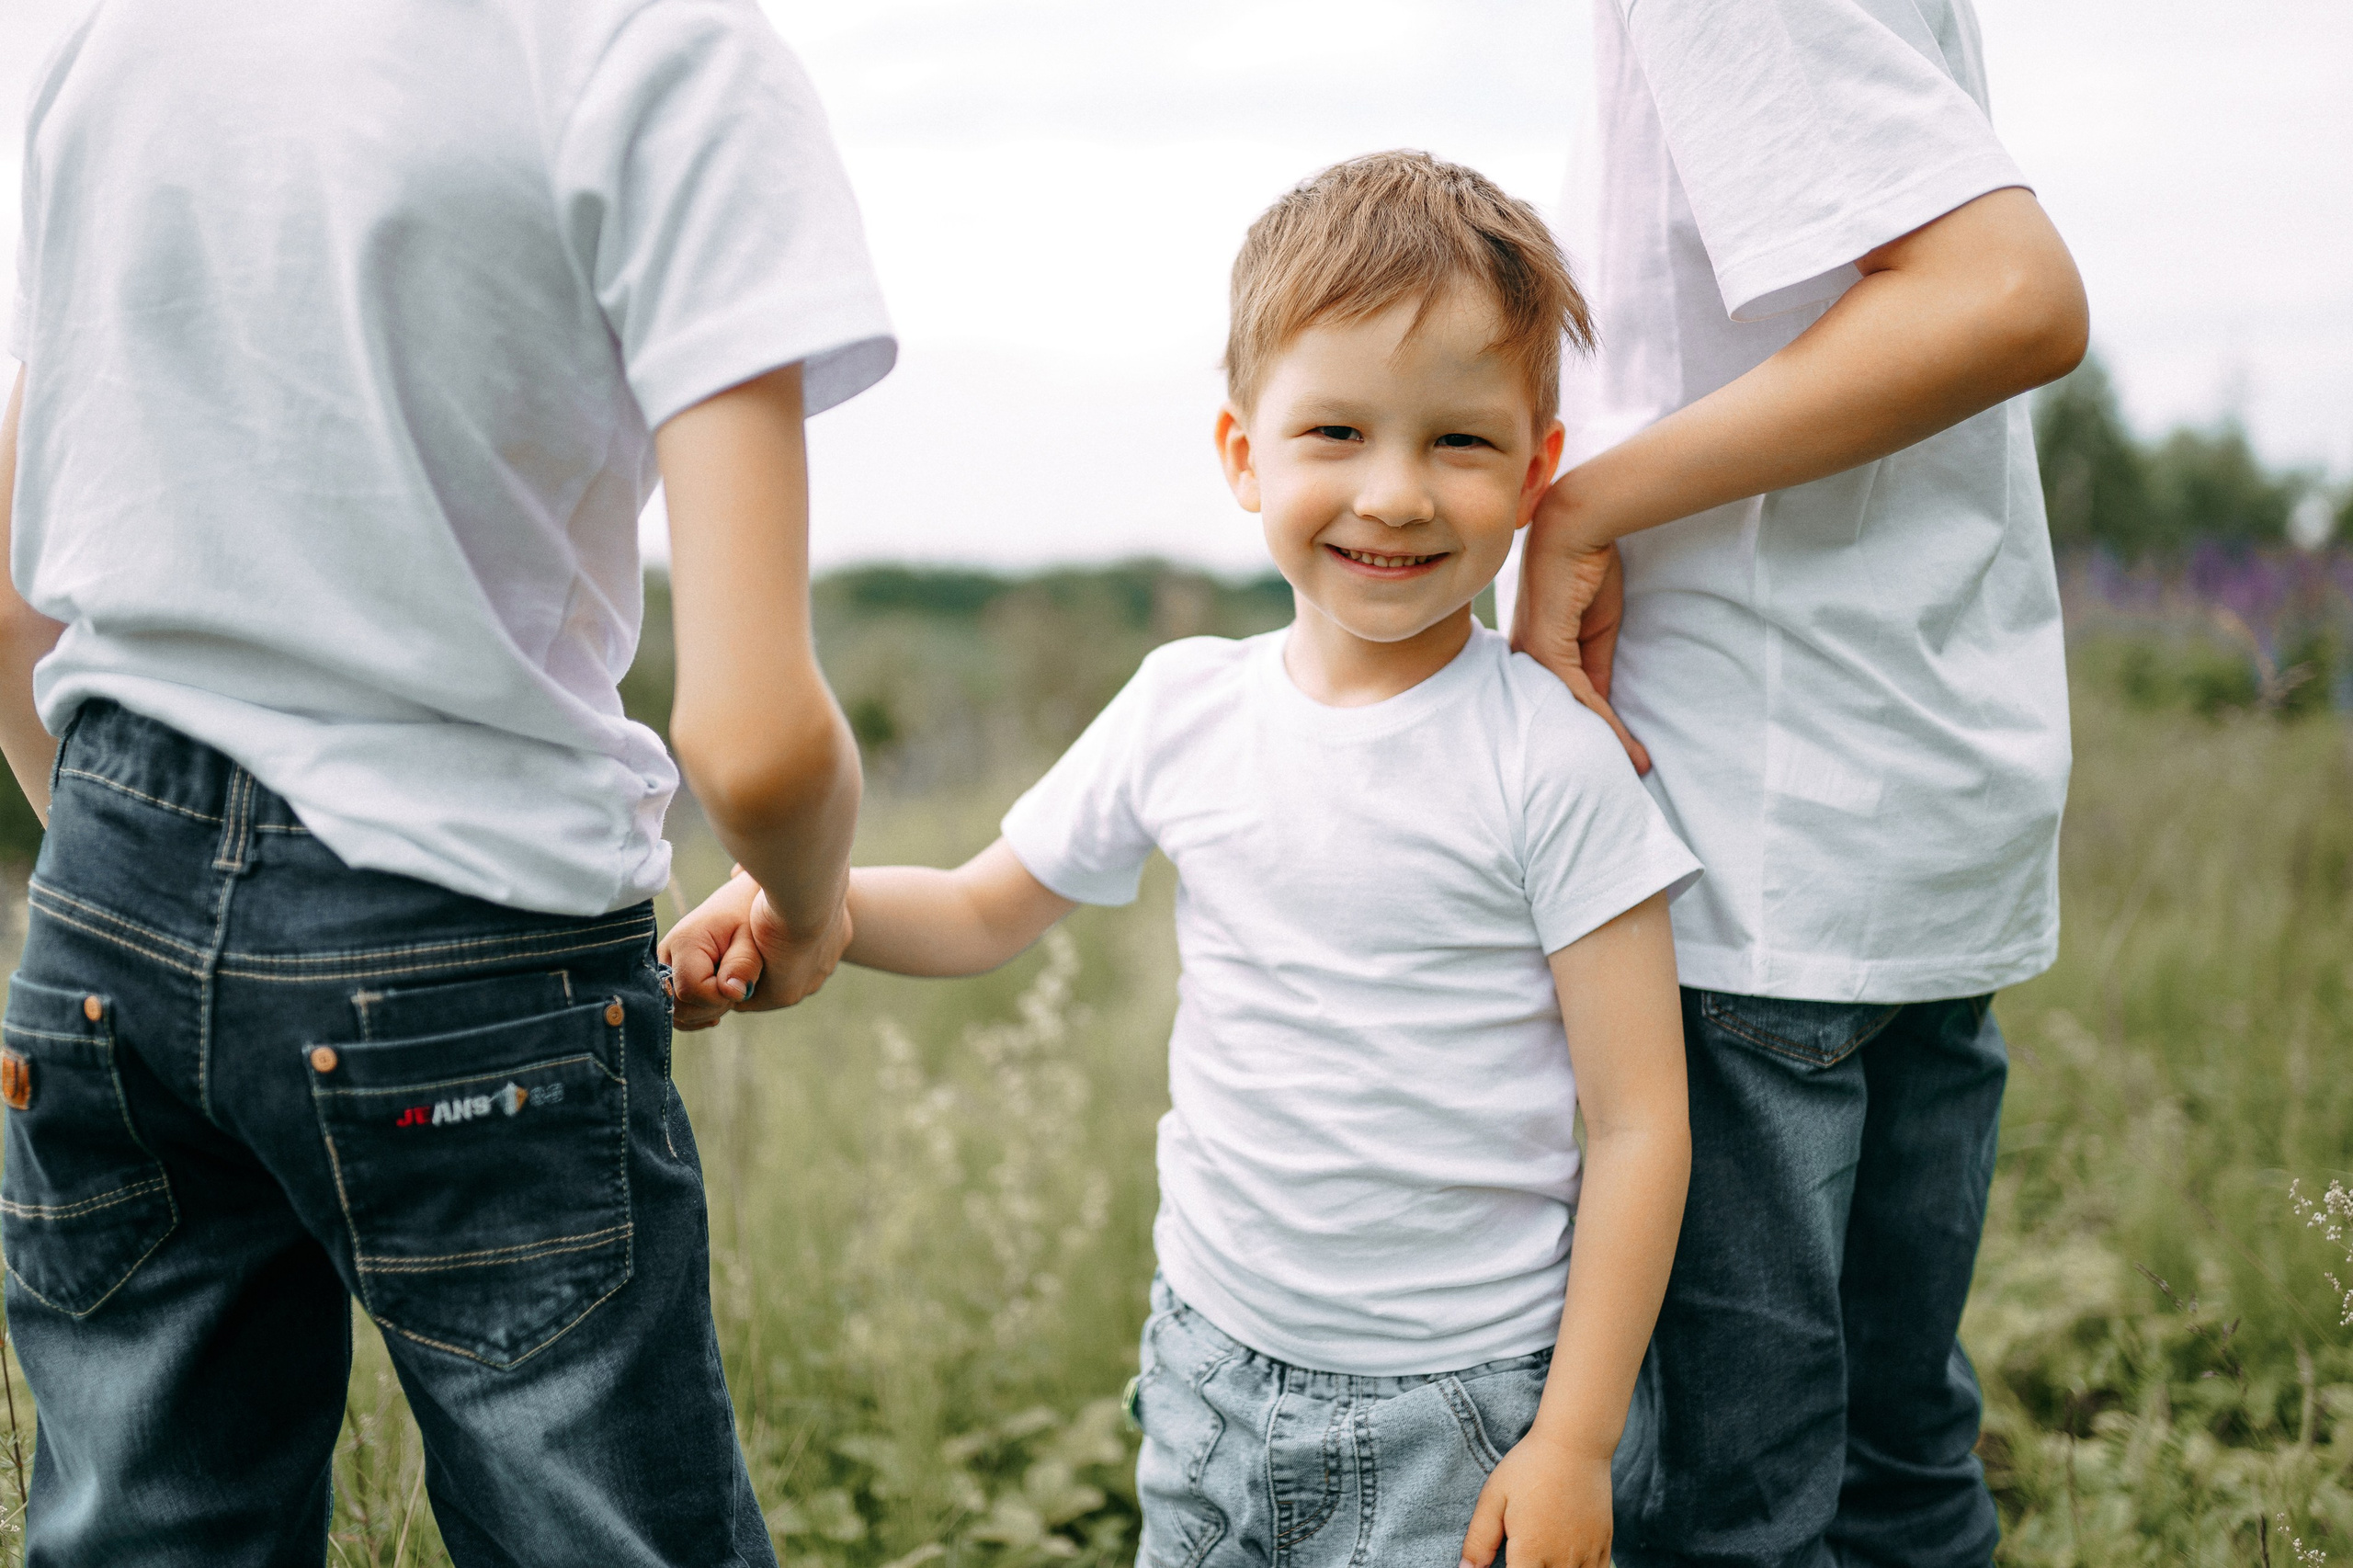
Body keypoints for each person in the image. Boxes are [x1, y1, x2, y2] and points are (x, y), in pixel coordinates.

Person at [666, 151, 1702, 1568]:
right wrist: (801, 903)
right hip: (1213, 1364)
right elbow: (979, 906)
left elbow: (1640, 1124)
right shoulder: (1185, 709)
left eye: (1457, 443)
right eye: (1335, 430)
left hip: (1463, 1411)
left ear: (1537, 473)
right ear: (1242, 455)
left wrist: (1575, 1439)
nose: (1393, 494)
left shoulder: (1555, 761)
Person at [0, 0, 888, 1561]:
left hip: (99, 912)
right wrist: (806, 908)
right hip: (464, 928)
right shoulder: (660, 51)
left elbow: (18, 584)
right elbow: (751, 731)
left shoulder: (120, 39)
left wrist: (110, 858)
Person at [1504, 2, 2090, 1562]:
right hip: (1903, 803)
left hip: (1757, 836)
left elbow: (2007, 294)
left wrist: (1582, 506)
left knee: (1733, 1507)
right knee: (1902, 1458)